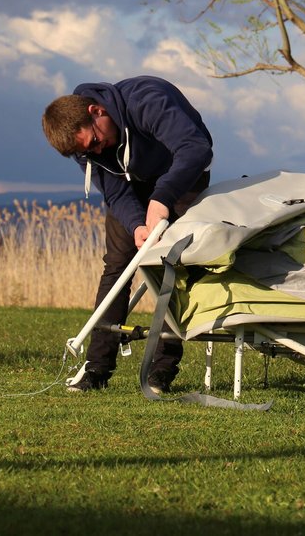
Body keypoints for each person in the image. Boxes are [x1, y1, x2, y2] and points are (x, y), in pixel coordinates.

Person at [42, 75, 214, 393]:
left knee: (173, 267)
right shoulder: (86, 149)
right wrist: (137, 226)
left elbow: (196, 149)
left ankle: (161, 370)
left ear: (97, 111)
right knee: (118, 264)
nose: (97, 150)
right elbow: (117, 195)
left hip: (183, 175)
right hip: (135, 186)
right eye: (87, 152)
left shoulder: (147, 102)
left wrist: (161, 199)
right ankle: (97, 368)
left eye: (95, 141)